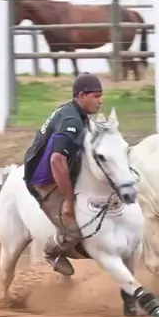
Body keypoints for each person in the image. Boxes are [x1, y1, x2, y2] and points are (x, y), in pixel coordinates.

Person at [23, 72, 103, 276]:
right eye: (96, 96)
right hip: (44, 181)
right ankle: (52, 253)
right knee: (74, 231)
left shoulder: (76, 113)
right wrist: (68, 200)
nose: (100, 101)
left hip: (61, 170)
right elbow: (56, 160)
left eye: (101, 96)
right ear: (81, 96)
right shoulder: (72, 121)